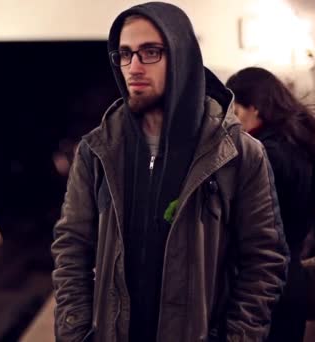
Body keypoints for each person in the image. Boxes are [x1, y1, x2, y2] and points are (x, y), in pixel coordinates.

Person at [51, 3, 289, 342]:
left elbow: (264, 261)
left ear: (181, 55)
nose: (133, 66)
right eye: (124, 53)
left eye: (150, 52)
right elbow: (72, 248)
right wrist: (75, 334)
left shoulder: (236, 153)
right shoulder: (97, 150)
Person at [226, 67, 315, 342]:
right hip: (293, 279)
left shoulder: (263, 156)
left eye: (236, 112)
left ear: (254, 108)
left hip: (259, 288)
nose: (233, 123)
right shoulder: (306, 146)